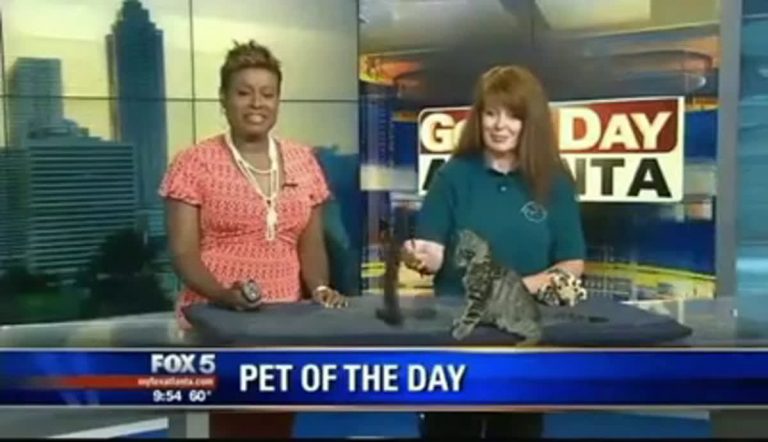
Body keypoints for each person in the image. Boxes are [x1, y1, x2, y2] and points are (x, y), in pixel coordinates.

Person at [159, 40, 347, 438]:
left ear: (278, 100)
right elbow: (183, 253)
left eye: (267, 94)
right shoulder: (193, 163)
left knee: (274, 428)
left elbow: (310, 242)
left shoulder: (302, 160)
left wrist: (320, 287)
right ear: (224, 99)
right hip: (213, 322)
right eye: (244, 93)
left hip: (284, 324)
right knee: (221, 429)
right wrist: (225, 295)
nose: (256, 103)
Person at [402, 65, 586, 438]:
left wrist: (513, 289)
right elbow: (433, 252)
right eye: (491, 113)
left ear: (530, 122)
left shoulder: (554, 180)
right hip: (457, 336)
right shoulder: (454, 175)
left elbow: (571, 262)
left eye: (512, 115)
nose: (500, 125)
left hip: (523, 339)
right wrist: (418, 255)